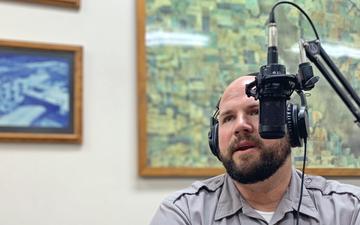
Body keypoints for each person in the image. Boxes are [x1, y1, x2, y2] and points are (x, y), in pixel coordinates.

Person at [149, 75, 360, 225]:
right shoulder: (183, 213)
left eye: (256, 111)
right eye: (228, 118)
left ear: (293, 125)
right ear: (214, 138)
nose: (240, 126)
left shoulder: (349, 210)